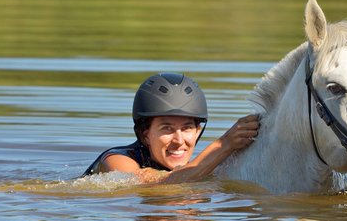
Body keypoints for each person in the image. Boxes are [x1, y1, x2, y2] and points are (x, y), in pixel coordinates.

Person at [82, 73, 259, 184]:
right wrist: (224, 144)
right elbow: (161, 185)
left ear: (198, 131)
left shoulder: (197, 167)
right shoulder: (117, 161)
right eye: (167, 128)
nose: (179, 141)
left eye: (187, 128)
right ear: (145, 135)